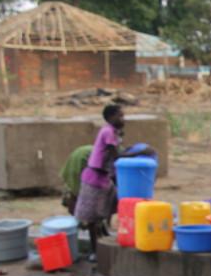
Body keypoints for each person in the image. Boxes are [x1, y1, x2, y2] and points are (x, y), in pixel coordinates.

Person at [74, 104, 152, 260]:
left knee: (107, 208)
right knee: (92, 217)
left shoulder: (113, 132)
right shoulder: (108, 132)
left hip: (103, 178)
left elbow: (118, 153)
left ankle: (102, 238)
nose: (123, 119)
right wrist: (141, 152)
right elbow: (117, 157)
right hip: (94, 178)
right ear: (110, 118)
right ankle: (95, 250)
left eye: (123, 116)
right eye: (120, 116)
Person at [59, 144, 92, 216]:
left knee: (72, 187)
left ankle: (74, 212)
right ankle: (77, 216)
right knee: (78, 190)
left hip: (76, 158)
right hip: (80, 162)